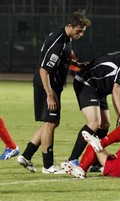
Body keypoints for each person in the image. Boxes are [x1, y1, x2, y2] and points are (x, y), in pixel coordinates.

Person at [16, 11, 91, 174]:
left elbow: (62, 59)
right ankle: (48, 166)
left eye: (83, 31)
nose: (81, 34)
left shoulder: (65, 37)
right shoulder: (59, 42)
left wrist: (77, 64)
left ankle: (26, 155)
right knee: (50, 123)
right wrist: (49, 94)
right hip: (46, 85)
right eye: (79, 30)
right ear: (69, 26)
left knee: (52, 122)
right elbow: (44, 70)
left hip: (52, 86)